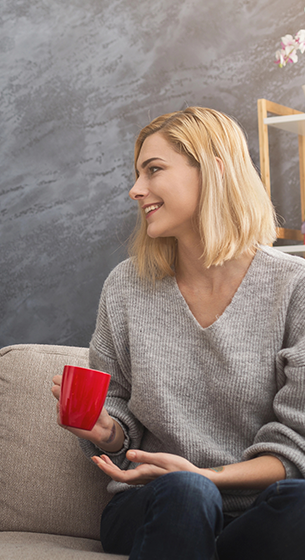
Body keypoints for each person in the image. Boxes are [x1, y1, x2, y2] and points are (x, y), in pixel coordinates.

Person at [51, 107, 305, 559]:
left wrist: (208, 476)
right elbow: (118, 414)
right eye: (137, 174)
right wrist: (105, 430)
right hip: (153, 504)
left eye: (153, 170)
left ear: (213, 170)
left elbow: (296, 451)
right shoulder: (126, 286)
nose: (135, 190)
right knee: (187, 494)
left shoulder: (294, 287)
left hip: (254, 509)